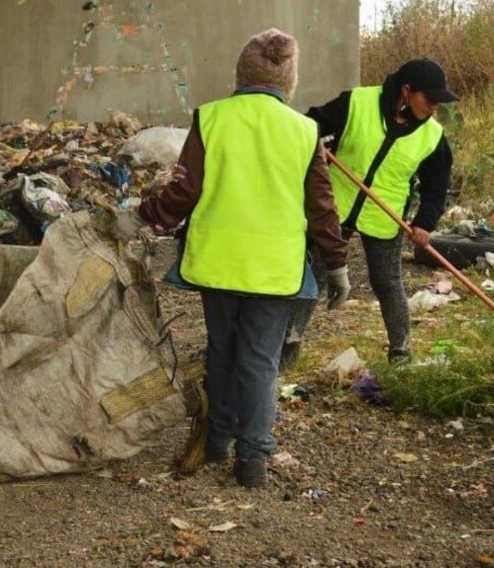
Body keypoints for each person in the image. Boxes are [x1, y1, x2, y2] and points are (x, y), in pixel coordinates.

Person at [116, 29, 350, 488]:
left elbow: (186, 189)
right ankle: (254, 459)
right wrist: (337, 263)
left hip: (218, 263)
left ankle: (216, 440)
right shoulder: (304, 131)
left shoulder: (212, 118)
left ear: (240, 72)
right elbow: (320, 205)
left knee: (222, 351)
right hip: (274, 269)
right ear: (290, 79)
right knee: (260, 361)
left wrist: (144, 217)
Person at [284, 58, 456, 367]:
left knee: (387, 281)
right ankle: (289, 344)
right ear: (406, 91)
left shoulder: (432, 137)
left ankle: (401, 354)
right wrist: (315, 143)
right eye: (429, 99)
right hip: (335, 206)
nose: (434, 107)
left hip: (383, 213)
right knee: (316, 277)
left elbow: (436, 187)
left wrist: (424, 223)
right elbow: (310, 125)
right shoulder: (357, 103)